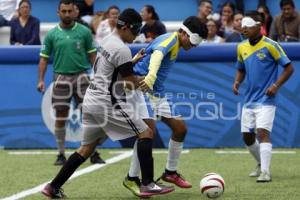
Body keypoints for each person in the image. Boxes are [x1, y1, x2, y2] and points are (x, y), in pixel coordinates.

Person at [41, 6, 174, 199]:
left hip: (91, 100)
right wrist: (146, 81)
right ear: (126, 27)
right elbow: (128, 84)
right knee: (146, 133)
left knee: (85, 149)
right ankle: (147, 184)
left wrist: (132, 62)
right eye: (136, 31)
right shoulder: (122, 49)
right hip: (106, 102)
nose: (136, 36)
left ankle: (53, 187)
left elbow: (113, 69)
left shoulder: (108, 40)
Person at [123, 16, 208, 196]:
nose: (194, 46)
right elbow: (157, 55)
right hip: (140, 87)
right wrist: (151, 77)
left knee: (180, 129)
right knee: (147, 133)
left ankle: (170, 172)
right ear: (184, 33)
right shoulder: (170, 39)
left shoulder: (176, 43)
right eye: (193, 41)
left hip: (156, 93)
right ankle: (132, 178)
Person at [37, 0, 104, 166]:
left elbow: (93, 56)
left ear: (75, 12)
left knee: (89, 117)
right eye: (64, 11)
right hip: (61, 79)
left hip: (82, 77)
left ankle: (93, 153)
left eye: (69, 11)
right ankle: (61, 154)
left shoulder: (84, 32)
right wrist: (40, 80)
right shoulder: (52, 34)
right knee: (61, 117)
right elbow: (44, 59)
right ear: (58, 12)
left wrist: (99, 75)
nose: (67, 14)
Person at [233, 11, 294, 182]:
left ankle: (266, 172)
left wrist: (275, 86)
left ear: (258, 26)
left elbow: (289, 68)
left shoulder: (271, 45)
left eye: (248, 27)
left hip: (267, 99)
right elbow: (240, 68)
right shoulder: (241, 47)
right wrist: (237, 82)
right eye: (242, 28)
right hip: (249, 99)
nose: (244, 30)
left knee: (263, 133)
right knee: (247, 137)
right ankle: (261, 164)